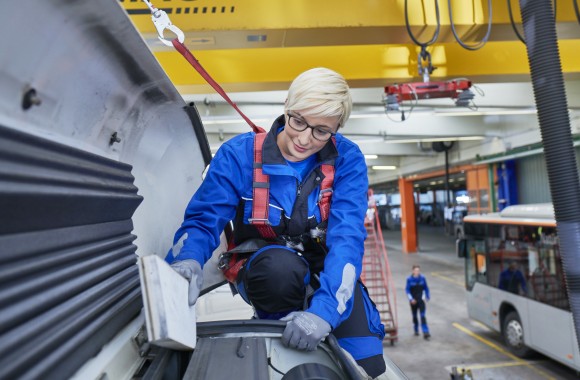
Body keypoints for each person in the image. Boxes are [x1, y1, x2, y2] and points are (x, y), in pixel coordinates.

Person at [166, 67, 387, 378]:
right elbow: (204, 219)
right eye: (298, 121)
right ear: (286, 106)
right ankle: (279, 332)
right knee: (280, 276)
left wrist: (323, 314)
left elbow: (347, 238)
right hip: (267, 270)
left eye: (321, 132)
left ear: (336, 129)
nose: (305, 139)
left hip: (327, 269)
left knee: (368, 363)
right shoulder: (239, 155)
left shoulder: (347, 160)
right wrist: (186, 259)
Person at [405, 265, 431, 339]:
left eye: (418, 270)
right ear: (413, 271)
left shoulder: (422, 278)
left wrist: (427, 296)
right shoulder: (409, 279)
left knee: (422, 316)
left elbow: (426, 288)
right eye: (416, 270)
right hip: (413, 301)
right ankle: (416, 330)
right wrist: (411, 299)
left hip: (421, 300)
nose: (417, 272)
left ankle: (426, 332)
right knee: (415, 316)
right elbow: (407, 290)